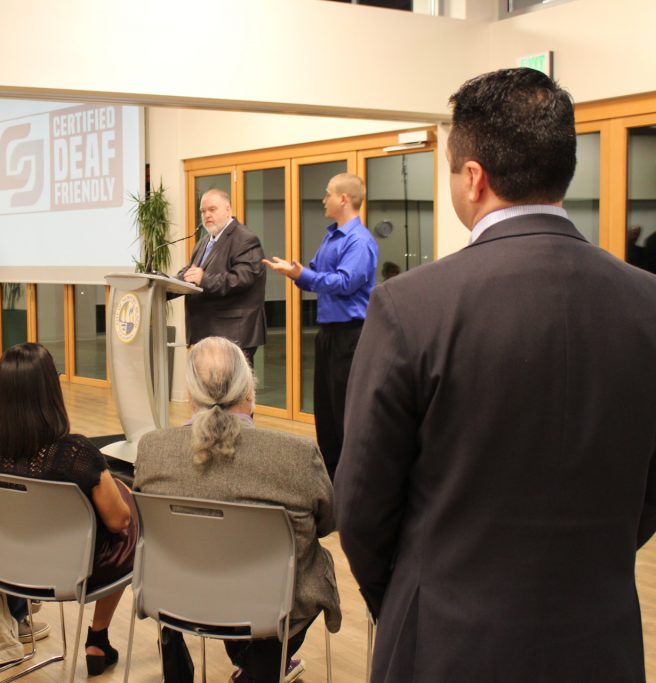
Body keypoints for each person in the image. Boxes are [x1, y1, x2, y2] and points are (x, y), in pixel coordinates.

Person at [334, 68, 656, 683]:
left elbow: (362, 504)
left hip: (448, 642)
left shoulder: (411, 307)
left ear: (473, 178)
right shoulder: (648, 304)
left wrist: (412, 597)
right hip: (600, 638)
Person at [135, 336, 339, 683]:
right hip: (274, 607)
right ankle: (258, 666)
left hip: (178, 596)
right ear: (250, 391)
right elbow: (327, 523)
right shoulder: (297, 456)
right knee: (311, 562)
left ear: (190, 394)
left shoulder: (152, 450)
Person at [0, 343, 137, 676]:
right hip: (71, 570)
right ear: (50, 390)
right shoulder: (76, 453)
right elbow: (119, 521)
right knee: (131, 523)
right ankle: (98, 637)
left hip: (5, 564)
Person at [263, 173, 377, 479]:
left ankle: (352, 484)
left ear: (343, 199)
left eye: (327, 194)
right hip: (329, 335)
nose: (323, 199)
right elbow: (314, 272)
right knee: (325, 413)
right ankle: (332, 482)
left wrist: (303, 276)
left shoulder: (359, 241)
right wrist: (295, 272)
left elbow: (345, 282)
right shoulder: (331, 236)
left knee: (344, 413)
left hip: (351, 336)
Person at [175, 188, 266, 366]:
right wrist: (165, 284)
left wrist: (204, 279)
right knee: (211, 391)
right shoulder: (204, 241)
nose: (207, 215)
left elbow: (241, 279)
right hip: (207, 332)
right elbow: (191, 272)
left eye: (212, 209)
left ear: (228, 209)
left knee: (232, 391)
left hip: (232, 334)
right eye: (203, 211)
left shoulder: (245, 239)